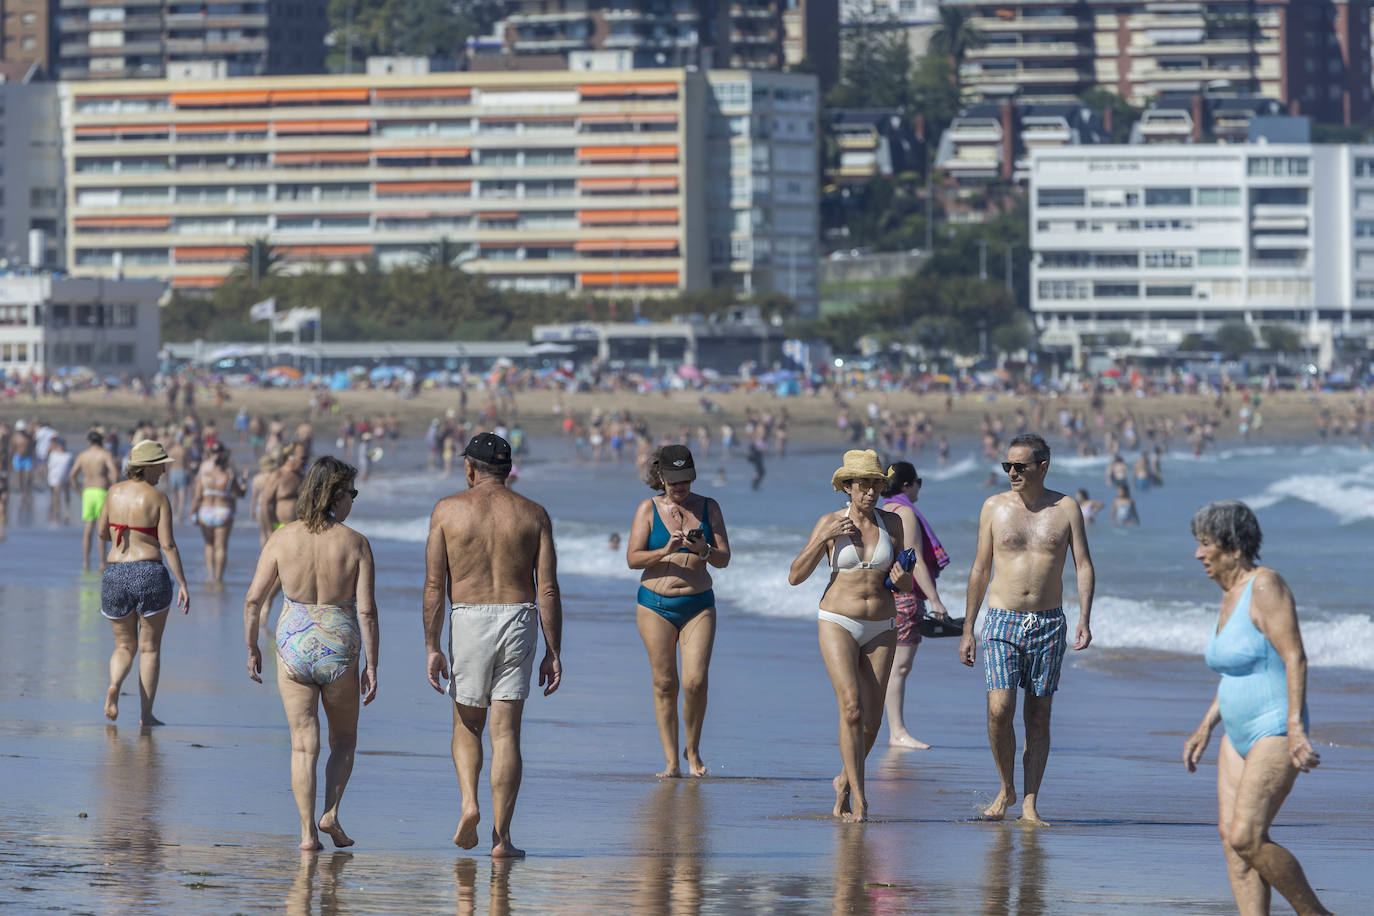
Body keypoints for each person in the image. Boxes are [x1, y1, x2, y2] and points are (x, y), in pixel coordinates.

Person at [1183, 500, 1331, 916]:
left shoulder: (1265, 586)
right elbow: (1237, 672)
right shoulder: (1228, 596)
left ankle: (1315, 913)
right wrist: (1205, 727)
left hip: (1274, 728)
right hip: (1235, 732)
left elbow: (1294, 657)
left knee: (1247, 836)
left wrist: (1296, 728)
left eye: (1205, 544)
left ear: (1233, 547)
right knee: (1231, 839)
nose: (1198, 554)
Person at [422, 433, 563, 858]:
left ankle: (469, 804)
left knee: (468, 725)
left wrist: (432, 645)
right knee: (506, 735)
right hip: (519, 616)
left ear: (470, 468)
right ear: (508, 470)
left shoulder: (448, 511)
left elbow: (434, 585)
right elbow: (549, 591)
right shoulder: (534, 514)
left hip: (469, 616)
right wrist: (553, 651)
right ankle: (502, 840)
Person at [244, 456, 379, 851]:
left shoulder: (282, 538)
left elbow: (253, 600)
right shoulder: (355, 543)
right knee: (344, 741)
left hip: (294, 643)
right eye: (351, 493)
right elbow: (367, 610)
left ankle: (306, 835)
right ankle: (331, 813)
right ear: (336, 495)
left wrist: (251, 645)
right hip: (339, 643)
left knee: (304, 744)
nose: (353, 501)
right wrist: (372, 663)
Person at [960, 434, 1094, 825]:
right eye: (1007, 467)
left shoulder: (1066, 508)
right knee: (999, 710)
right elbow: (980, 568)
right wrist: (969, 627)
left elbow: (1083, 564)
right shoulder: (994, 508)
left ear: (1043, 467)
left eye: (1020, 466)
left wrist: (1085, 617)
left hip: (1049, 623)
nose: (1012, 473)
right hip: (1002, 619)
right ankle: (1006, 788)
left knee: (1039, 716)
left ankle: (1031, 802)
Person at [788, 449, 911, 823]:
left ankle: (844, 779)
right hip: (837, 620)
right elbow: (795, 576)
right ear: (847, 486)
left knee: (872, 720)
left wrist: (904, 579)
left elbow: (902, 581)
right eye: (863, 485)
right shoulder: (829, 522)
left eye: (876, 484)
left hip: (883, 625)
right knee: (852, 709)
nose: (871, 492)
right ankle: (860, 799)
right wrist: (822, 537)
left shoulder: (892, 524)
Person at [625, 445, 731, 778]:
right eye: (674, 482)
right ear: (662, 478)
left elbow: (724, 558)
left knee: (696, 681)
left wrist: (705, 550)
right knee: (665, 683)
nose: (680, 488)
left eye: (685, 481)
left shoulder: (709, 507)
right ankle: (671, 762)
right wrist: (666, 549)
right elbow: (632, 559)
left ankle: (693, 750)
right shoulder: (648, 508)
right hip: (655, 604)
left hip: (699, 604)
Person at [96, 440, 191, 725]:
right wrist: (183, 582)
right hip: (149, 572)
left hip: (115, 574)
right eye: (160, 464)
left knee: (124, 646)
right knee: (149, 648)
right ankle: (146, 715)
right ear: (147, 466)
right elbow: (169, 545)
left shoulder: (113, 492)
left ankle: (115, 683)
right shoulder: (158, 498)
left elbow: (102, 532)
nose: (163, 470)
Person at [879, 461, 950, 750]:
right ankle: (897, 732)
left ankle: (894, 730)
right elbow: (914, 557)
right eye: (918, 481)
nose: (919, 487)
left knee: (889, 666)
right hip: (905, 595)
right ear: (907, 485)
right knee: (900, 667)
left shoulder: (882, 510)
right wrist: (934, 599)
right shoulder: (905, 511)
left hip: (882, 594)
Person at [191, 444, 246, 584]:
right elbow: (241, 494)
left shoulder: (204, 477)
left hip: (205, 511)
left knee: (209, 544)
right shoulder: (228, 477)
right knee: (221, 547)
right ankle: (219, 578)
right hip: (223, 511)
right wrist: (244, 481)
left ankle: (210, 575)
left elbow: (197, 498)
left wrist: (192, 513)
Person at [72, 429, 121, 571]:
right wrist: (113, 489)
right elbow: (114, 472)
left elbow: (72, 475)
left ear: (89, 441)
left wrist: (78, 491)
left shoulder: (83, 455)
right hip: (101, 491)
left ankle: (86, 562)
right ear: (101, 441)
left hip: (87, 492)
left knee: (88, 528)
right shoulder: (105, 454)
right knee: (101, 528)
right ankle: (101, 563)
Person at [260, 441, 308, 540]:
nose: (306, 462)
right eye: (303, 458)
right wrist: (269, 530)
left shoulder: (303, 477)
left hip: (301, 530)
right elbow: (265, 503)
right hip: (281, 528)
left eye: (307, 458)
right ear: (290, 457)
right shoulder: (277, 475)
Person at [46, 437, 75, 524]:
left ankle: (67, 514)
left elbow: (73, 467)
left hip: (66, 478)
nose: (61, 447)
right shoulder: (53, 454)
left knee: (67, 496)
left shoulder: (69, 455)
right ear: (58, 446)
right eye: (60, 445)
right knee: (56, 497)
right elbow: (49, 467)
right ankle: (56, 513)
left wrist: (72, 477)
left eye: (63, 445)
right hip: (54, 478)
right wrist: (49, 477)